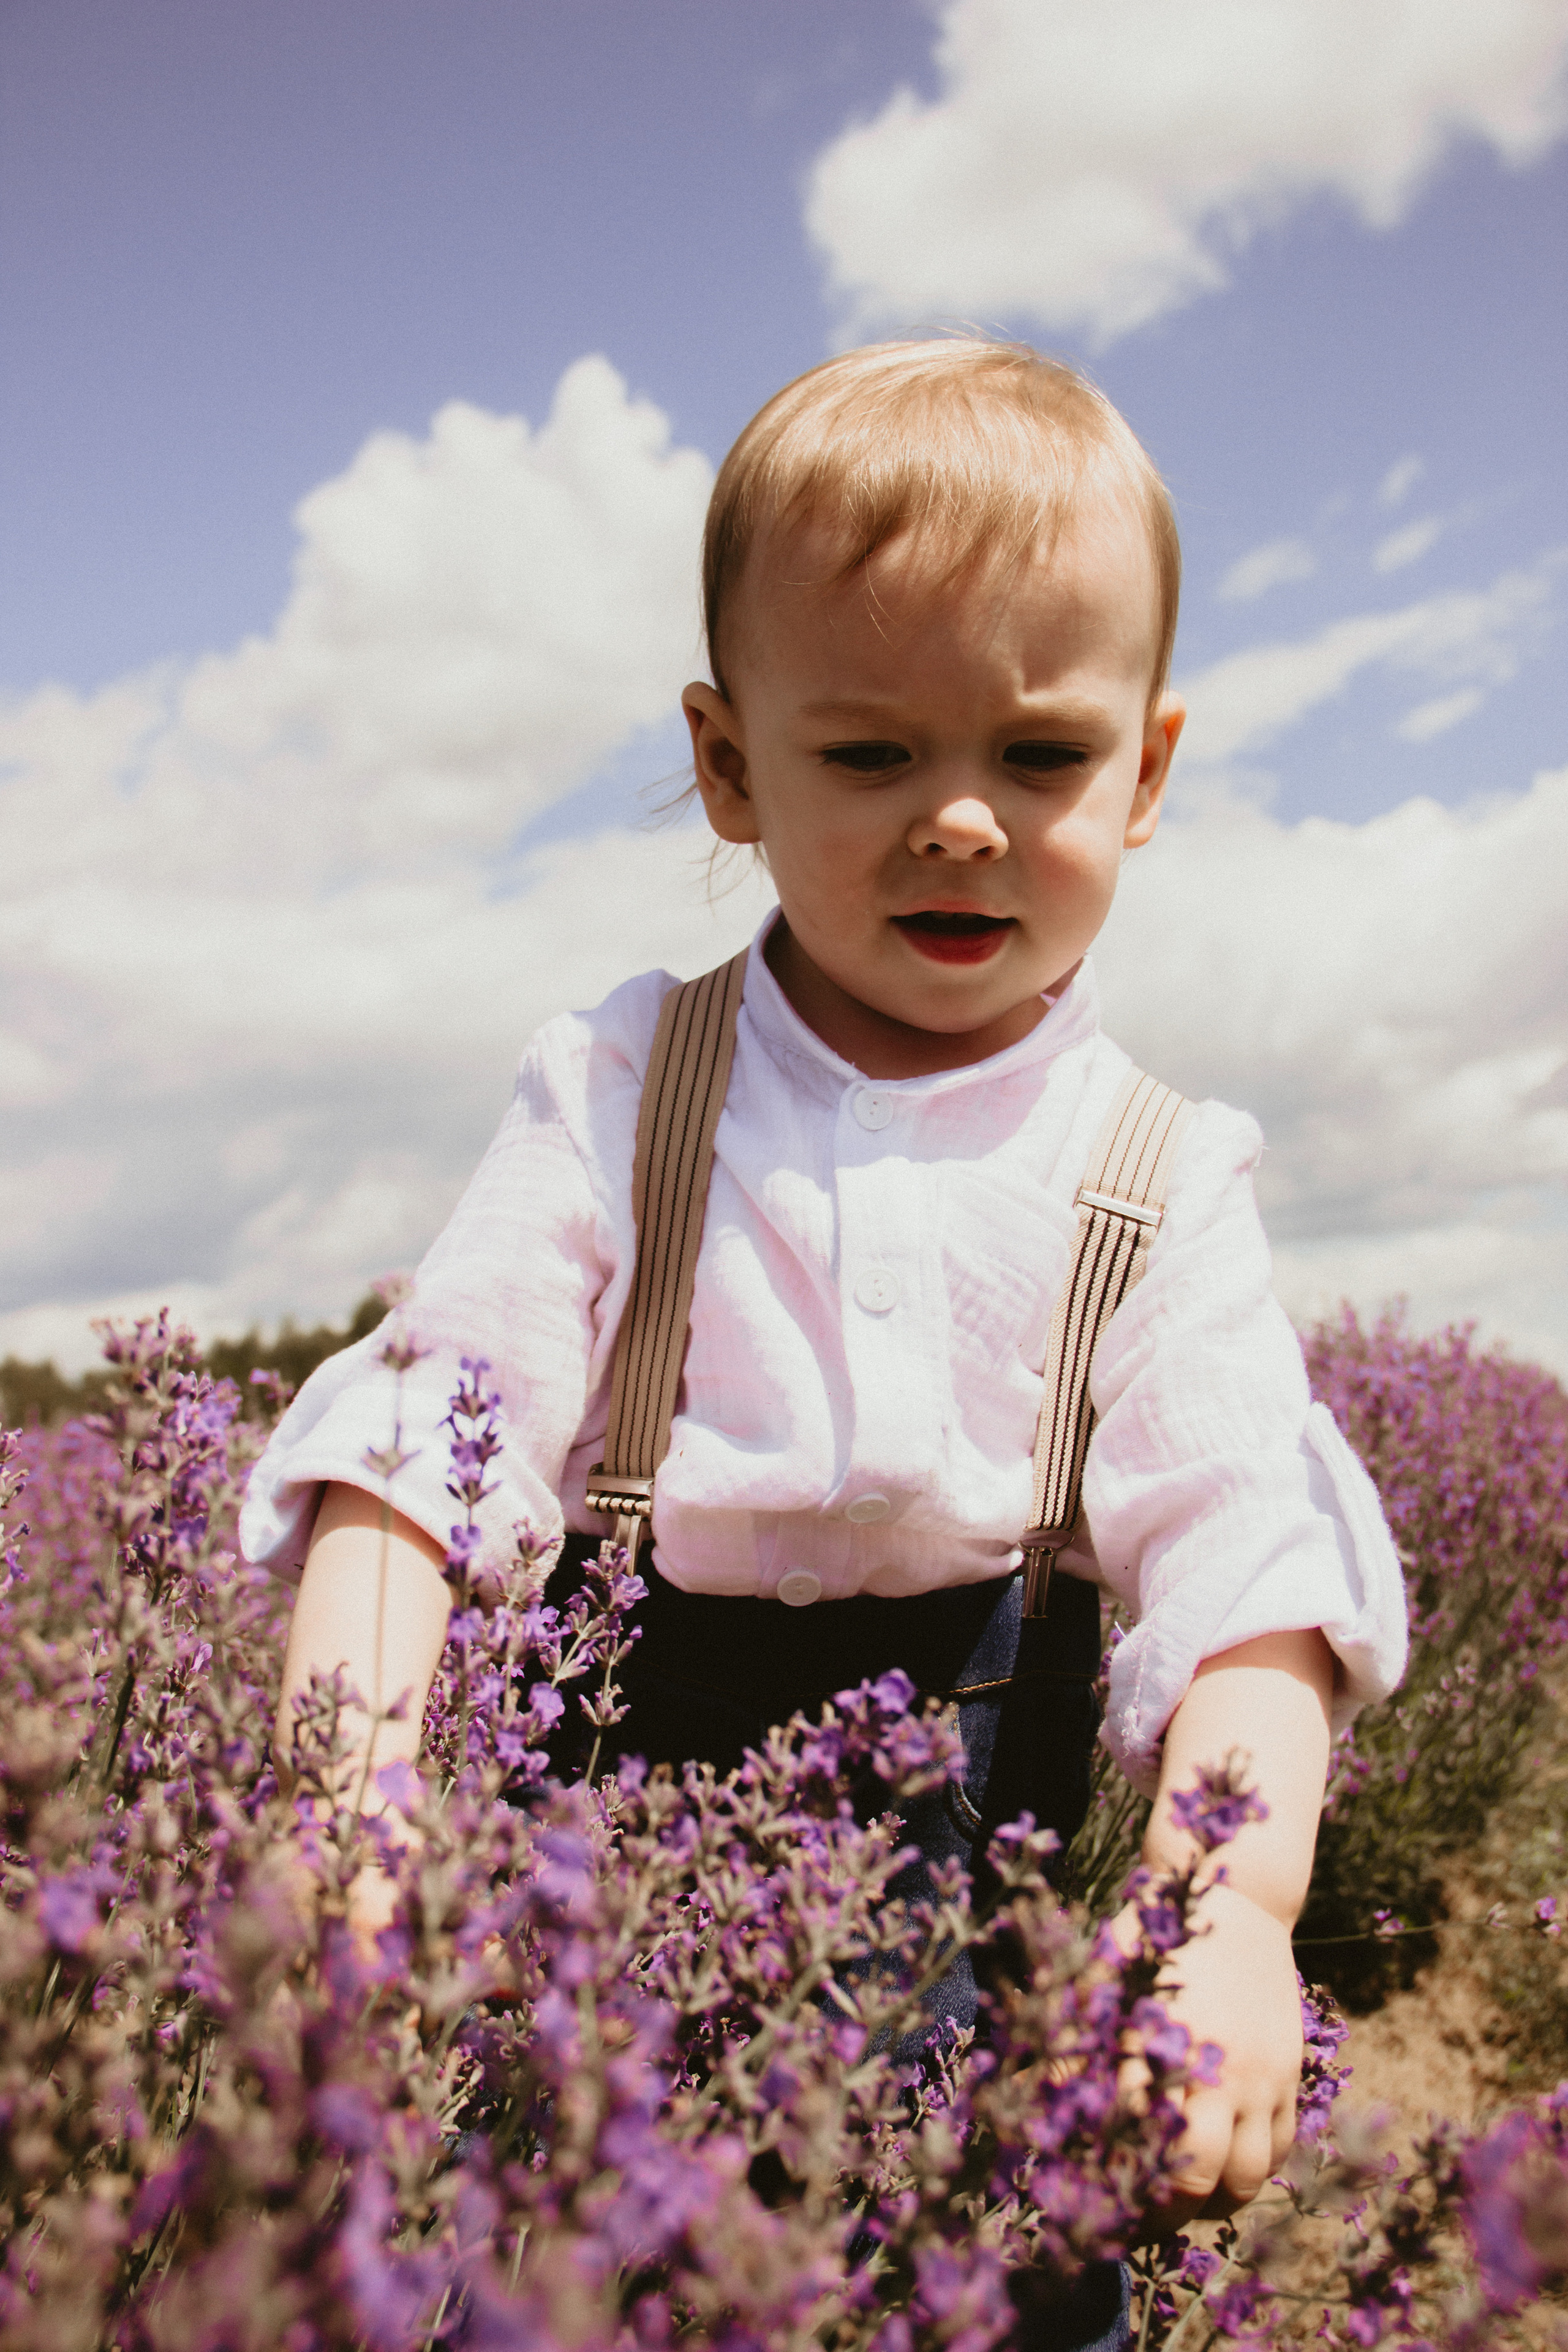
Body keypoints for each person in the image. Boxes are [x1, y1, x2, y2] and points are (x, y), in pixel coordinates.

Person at [243, 339, 1406, 2262]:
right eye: (871, 754)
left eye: (1040, 755)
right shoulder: (628, 1088)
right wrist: (344, 1800)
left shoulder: (1158, 1168)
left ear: (1150, 772)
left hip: (975, 1962)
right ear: (728, 767)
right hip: (596, 1928)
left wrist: (1234, 1919)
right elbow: (426, 1443)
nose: (961, 819)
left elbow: (1247, 1567)